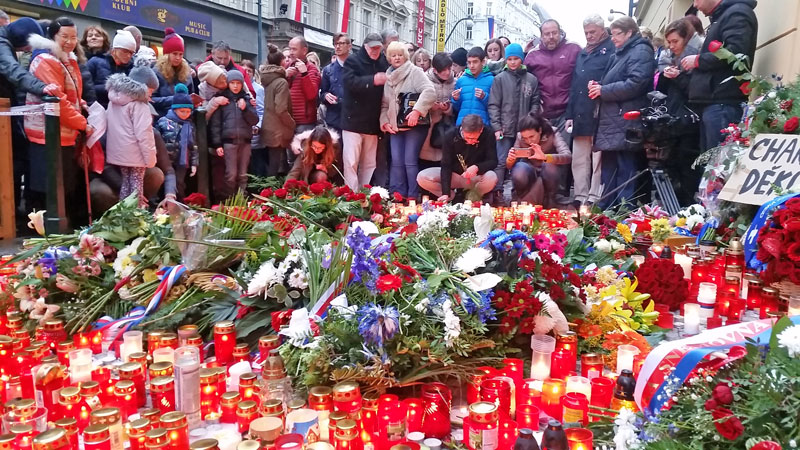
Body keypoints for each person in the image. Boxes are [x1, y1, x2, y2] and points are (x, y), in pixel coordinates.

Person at [25, 17, 94, 227]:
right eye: (64, 36)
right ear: (53, 36)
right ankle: (42, 232)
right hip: (46, 133)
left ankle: (59, 231)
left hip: (64, 133)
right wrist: (82, 123)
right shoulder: (46, 60)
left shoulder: (66, 59)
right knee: (47, 187)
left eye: (73, 37)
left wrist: (79, 102)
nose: (70, 41)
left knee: (63, 185)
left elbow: (68, 92)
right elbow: (57, 101)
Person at [590, 16, 656, 209]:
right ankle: (607, 213)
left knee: (625, 171)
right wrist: (598, 86)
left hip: (626, 120)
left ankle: (623, 214)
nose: (613, 38)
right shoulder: (620, 53)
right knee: (610, 171)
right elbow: (615, 81)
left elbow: (637, 83)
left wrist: (604, 91)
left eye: (617, 34)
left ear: (630, 33)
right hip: (614, 120)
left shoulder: (641, 51)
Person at [0, 17, 59, 224]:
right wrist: (42, 87)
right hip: (3, 120)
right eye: (27, 44)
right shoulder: (1, 45)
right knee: (15, 162)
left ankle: (11, 215)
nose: (27, 49)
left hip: (8, 116)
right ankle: (10, 217)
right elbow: (12, 72)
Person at [682, 0, 757, 150]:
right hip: (716, 102)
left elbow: (736, 52)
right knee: (711, 166)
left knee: (717, 165)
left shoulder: (736, 13)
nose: (695, 5)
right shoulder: (724, 16)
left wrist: (698, 60)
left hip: (723, 103)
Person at [566, 14, 615, 209]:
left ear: (603, 30)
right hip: (579, 111)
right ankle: (580, 195)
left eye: (592, 32)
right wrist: (569, 114)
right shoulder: (583, 52)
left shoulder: (611, 50)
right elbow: (574, 85)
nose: (589, 36)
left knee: (597, 159)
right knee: (579, 157)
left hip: (599, 110)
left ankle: (594, 197)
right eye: (586, 32)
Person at [379, 41, 435, 199]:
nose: (397, 58)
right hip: (395, 126)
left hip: (415, 125)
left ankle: (412, 196)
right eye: (393, 55)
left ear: (406, 56)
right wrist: (384, 122)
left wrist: (417, 111)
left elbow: (430, 91)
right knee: (396, 161)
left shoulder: (415, 72)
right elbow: (384, 104)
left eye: (400, 55)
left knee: (409, 161)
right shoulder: (388, 76)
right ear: (389, 58)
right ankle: (398, 195)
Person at [657, 18, 703, 205]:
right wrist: (665, 76)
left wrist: (679, 76)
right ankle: (672, 206)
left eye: (675, 41)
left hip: (691, 121)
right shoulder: (670, 58)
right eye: (669, 42)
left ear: (686, 39)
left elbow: (696, 91)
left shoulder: (695, 56)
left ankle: (686, 208)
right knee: (672, 165)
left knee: (688, 167)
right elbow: (662, 91)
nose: (671, 46)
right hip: (674, 119)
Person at [488, 43, 540, 205]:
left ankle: (518, 193)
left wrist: (531, 121)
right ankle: (497, 192)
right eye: (509, 59)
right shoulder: (500, 79)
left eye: (516, 59)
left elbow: (535, 102)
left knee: (522, 161)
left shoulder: (531, 79)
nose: (512, 62)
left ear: (521, 60)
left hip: (524, 130)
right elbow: (493, 105)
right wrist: (496, 127)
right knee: (502, 161)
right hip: (504, 128)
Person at [341, 32, 389, 190]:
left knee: (369, 163)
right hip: (352, 121)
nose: (375, 51)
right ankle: (352, 194)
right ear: (365, 47)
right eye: (372, 48)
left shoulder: (383, 61)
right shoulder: (353, 60)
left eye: (378, 48)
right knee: (351, 162)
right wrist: (373, 80)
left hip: (372, 122)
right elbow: (349, 83)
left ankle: (365, 194)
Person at [105, 67, 158, 207]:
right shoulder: (139, 104)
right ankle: (134, 218)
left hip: (119, 152)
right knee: (136, 189)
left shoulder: (114, 99)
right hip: (136, 153)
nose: (151, 95)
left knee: (126, 184)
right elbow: (144, 133)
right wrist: (150, 159)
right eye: (151, 91)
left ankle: (122, 214)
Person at [416, 114, 498, 201]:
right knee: (422, 177)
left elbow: (493, 161)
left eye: (473, 138)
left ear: (481, 130)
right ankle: (452, 197)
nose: (470, 141)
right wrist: (445, 192)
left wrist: (477, 167)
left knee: (491, 177)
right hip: (455, 176)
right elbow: (446, 165)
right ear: (462, 129)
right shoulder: (450, 135)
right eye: (467, 138)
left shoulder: (488, 134)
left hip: (476, 177)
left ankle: (472, 198)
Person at [209, 69, 259, 198]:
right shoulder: (222, 100)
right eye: (232, 83)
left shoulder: (247, 100)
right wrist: (217, 144)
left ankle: (241, 200)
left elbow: (254, 120)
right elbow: (215, 124)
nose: (235, 86)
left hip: (245, 142)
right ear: (228, 84)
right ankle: (229, 200)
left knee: (243, 174)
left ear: (242, 84)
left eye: (238, 83)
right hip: (228, 142)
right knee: (230, 174)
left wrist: (246, 108)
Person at [524, 19, 581, 128]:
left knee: (564, 145)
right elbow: (522, 79)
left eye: (554, 33)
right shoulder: (533, 55)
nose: (551, 36)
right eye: (547, 34)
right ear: (541, 36)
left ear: (560, 33)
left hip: (568, 113)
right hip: (543, 114)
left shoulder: (574, 48)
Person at [505, 113, 571, 206]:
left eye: (532, 136)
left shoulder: (552, 133)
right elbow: (510, 166)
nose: (529, 141)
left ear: (539, 130)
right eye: (525, 138)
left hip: (549, 171)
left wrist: (545, 157)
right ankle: (522, 198)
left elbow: (567, 156)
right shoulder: (520, 136)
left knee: (549, 164)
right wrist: (510, 160)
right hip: (529, 170)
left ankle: (550, 198)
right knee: (519, 168)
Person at [259, 44, 295, 177]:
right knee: (275, 166)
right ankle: (270, 193)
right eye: (285, 59)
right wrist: (292, 123)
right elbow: (281, 109)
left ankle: (268, 190)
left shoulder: (267, 79)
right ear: (281, 62)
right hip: (278, 130)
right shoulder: (281, 82)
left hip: (268, 126)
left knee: (272, 164)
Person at [155, 83, 196, 200]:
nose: (186, 114)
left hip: (182, 160)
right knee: (164, 182)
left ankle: (179, 204)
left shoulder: (190, 125)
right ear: (175, 109)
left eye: (188, 112)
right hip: (165, 159)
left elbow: (193, 146)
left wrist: (194, 163)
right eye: (182, 111)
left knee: (179, 183)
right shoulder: (163, 122)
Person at [419, 52, 455, 167]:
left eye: (449, 68)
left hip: (447, 125)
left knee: (445, 157)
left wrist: (448, 108)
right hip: (427, 125)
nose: (447, 72)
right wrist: (430, 106)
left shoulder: (456, 82)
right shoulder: (424, 81)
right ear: (435, 70)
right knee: (425, 157)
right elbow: (418, 102)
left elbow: (457, 105)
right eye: (443, 70)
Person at [152, 28, 195, 117]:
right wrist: (174, 99)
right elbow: (151, 99)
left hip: (184, 119)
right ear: (167, 54)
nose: (178, 57)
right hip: (163, 119)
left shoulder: (187, 73)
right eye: (174, 54)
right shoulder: (157, 72)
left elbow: (191, 94)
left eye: (180, 54)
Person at [86, 29, 136, 107]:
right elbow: (85, 88)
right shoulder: (95, 62)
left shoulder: (132, 69)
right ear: (114, 50)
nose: (129, 55)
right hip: (96, 108)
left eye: (131, 53)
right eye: (125, 51)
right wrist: (110, 88)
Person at [286, 37, 321, 139]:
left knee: (303, 153)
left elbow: (312, 95)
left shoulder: (312, 69)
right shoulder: (287, 67)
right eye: (290, 49)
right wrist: (284, 75)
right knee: (289, 154)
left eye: (294, 49)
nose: (291, 52)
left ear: (304, 50)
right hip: (288, 120)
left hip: (304, 122)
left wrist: (304, 74)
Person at [452, 47, 494, 126]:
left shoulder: (492, 80)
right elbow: (456, 108)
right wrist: (455, 99)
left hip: (482, 126)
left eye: (475, 62)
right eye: (469, 62)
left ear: (483, 62)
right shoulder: (461, 80)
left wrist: (484, 97)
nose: (471, 66)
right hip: (462, 125)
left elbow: (495, 106)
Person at [320, 32, 350, 134]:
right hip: (334, 120)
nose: (338, 46)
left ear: (349, 46)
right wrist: (326, 96)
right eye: (335, 44)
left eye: (341, 43)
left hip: (352, 121)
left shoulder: (356, 68)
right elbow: (322, 93)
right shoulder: (328, 70)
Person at [240, 59, 264, 180]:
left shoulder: (258, 89)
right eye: (244, 70)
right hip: (242, 129)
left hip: (255, 130)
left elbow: (261, 110)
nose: (247, 73)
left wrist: (258, 125)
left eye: (249, 70)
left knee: (256, 159)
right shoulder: (237, 87)